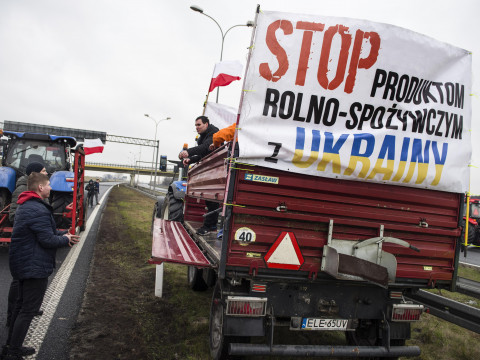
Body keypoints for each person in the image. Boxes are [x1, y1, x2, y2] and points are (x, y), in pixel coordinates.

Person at [2, 173, 80, 360]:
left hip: (24, 262)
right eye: (48, 185)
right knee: (28, 310)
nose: (51, 188)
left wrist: (64, 233)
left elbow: (45, 231)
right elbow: (47, 239)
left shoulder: (27, 205)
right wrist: (65, 240)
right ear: (40, 188)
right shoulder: (37, 208)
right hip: (33, 266)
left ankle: (10, 346)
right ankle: (13, 352)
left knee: (21, 307)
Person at [6, 162, 48, 330]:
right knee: (18, 282)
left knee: (28, 282)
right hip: (25, 243)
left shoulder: (37, 190)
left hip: (32, 242)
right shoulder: (22, 190)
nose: (47, 173)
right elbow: (14, 215)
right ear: (35, 175)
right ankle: (12, 317)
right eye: (44, 171)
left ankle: (28, 308)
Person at [178, 116, 219, 235]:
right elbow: (203, 154)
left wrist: (188, 152)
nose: (196, 127)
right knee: (209, 199)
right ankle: (210, 226)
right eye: (195, 125)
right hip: (210, 169)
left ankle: (209, 226)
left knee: (213, 199)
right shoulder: (202, 137)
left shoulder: (214, 132)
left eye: (199, 125)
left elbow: (205, 147)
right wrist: (190, 159)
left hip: (216, 169)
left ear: (206, 124)